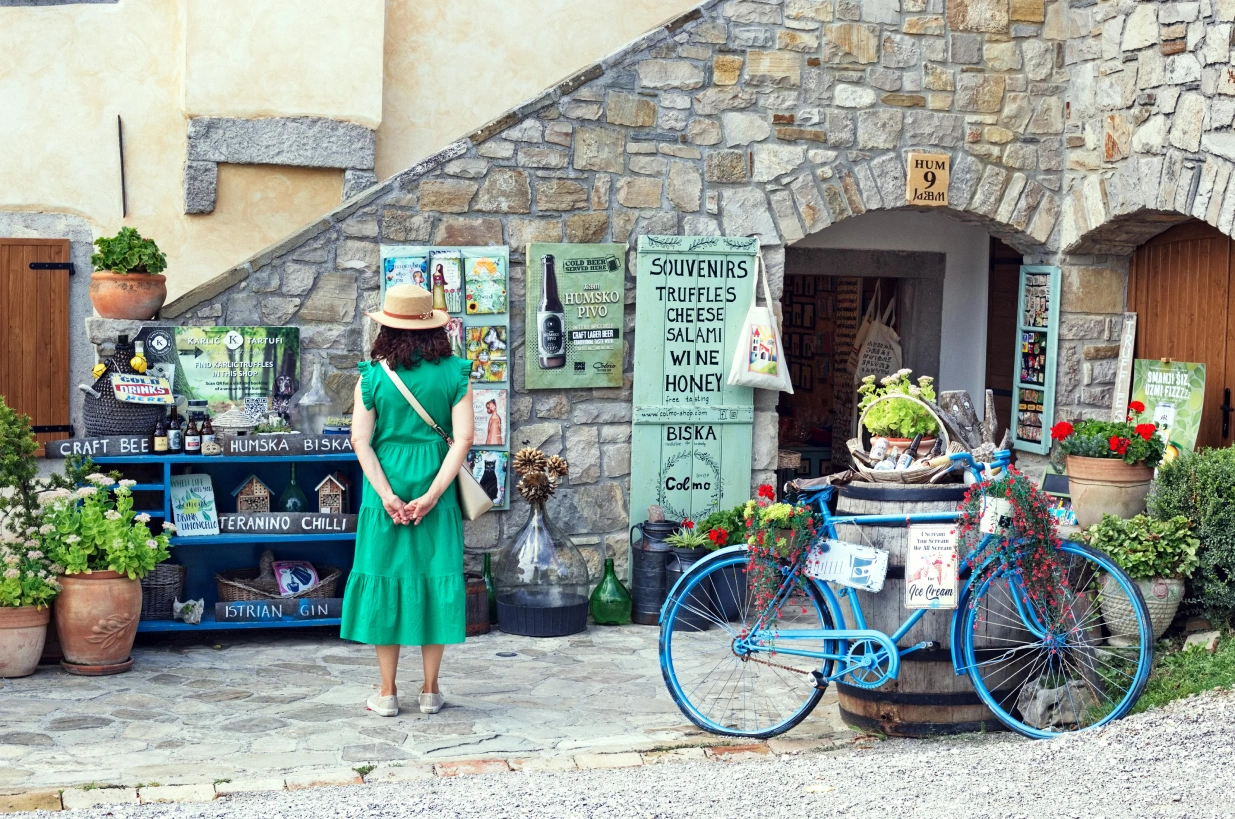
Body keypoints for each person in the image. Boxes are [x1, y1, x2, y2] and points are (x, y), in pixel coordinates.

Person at [343, 283, 474, 717]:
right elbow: (464, 440)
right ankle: (431, 691)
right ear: (434, 327)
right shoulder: (456, 373)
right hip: (437, 483)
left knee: (386, 579)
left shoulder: (372, 375)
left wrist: (387, 495)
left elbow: (360, 441)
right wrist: (433, 495)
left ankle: (387, 693)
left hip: (386, 485)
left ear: (386, 327)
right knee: (435, 579)